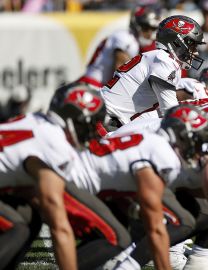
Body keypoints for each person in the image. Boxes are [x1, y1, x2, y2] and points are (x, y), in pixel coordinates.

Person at [106, 99, 208, 270]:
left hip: (128, 160)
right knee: (184, 219)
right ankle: (123, 260)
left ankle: (123, 255)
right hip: (120, 168)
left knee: (196, 212)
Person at [0, 82, 131, 269]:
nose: (91, 132)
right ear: (74, 120)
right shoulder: (55, 144)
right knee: (17, 228)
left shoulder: (37, 121)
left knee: (28, 218)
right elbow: (59, 227)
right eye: (90, 124)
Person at [69, 104, 208, 270]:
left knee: (118, 232)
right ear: (181, 136)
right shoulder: (163, 155)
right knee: (116, 236)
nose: (198, 149)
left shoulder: (155, 142)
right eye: (196, 141)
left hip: (92, 185)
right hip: (72, 185)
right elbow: (155, 226)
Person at [100, 15, 205, 127]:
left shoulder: (157, 57)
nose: (196, 53)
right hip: (103, 118)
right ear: (177, 42)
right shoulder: (166, 62)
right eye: (192, 46)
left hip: (106, 114)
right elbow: (170, 112)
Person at [79, 4, 161, 88]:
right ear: (136, 24)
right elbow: (121, 74)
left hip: (100, 86)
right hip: (93, 85)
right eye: (146, 27)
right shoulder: (126, 39)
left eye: (153, 29)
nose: (149, 33)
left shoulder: (131, 40)